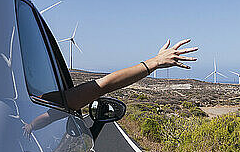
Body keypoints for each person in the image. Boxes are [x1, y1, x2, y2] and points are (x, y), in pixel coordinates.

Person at [63, 38, 197, 111]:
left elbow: (103, 86)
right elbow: (103, 86)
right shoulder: (51, 104)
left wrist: (155, 62)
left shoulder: (44, 104)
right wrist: (155, 62)